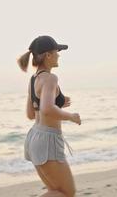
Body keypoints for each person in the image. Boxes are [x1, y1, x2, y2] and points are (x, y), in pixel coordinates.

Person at [17, 35, 81, 197]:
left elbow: (31, 113)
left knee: (56, 192)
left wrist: (57, 104)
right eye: (57, 51)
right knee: (67, 193)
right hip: (48, 140)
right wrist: (71, 116)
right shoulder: (51, 78)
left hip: (35, 138)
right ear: (48, 55)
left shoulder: (34, 79)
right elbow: (46, 109)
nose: (59, 55)